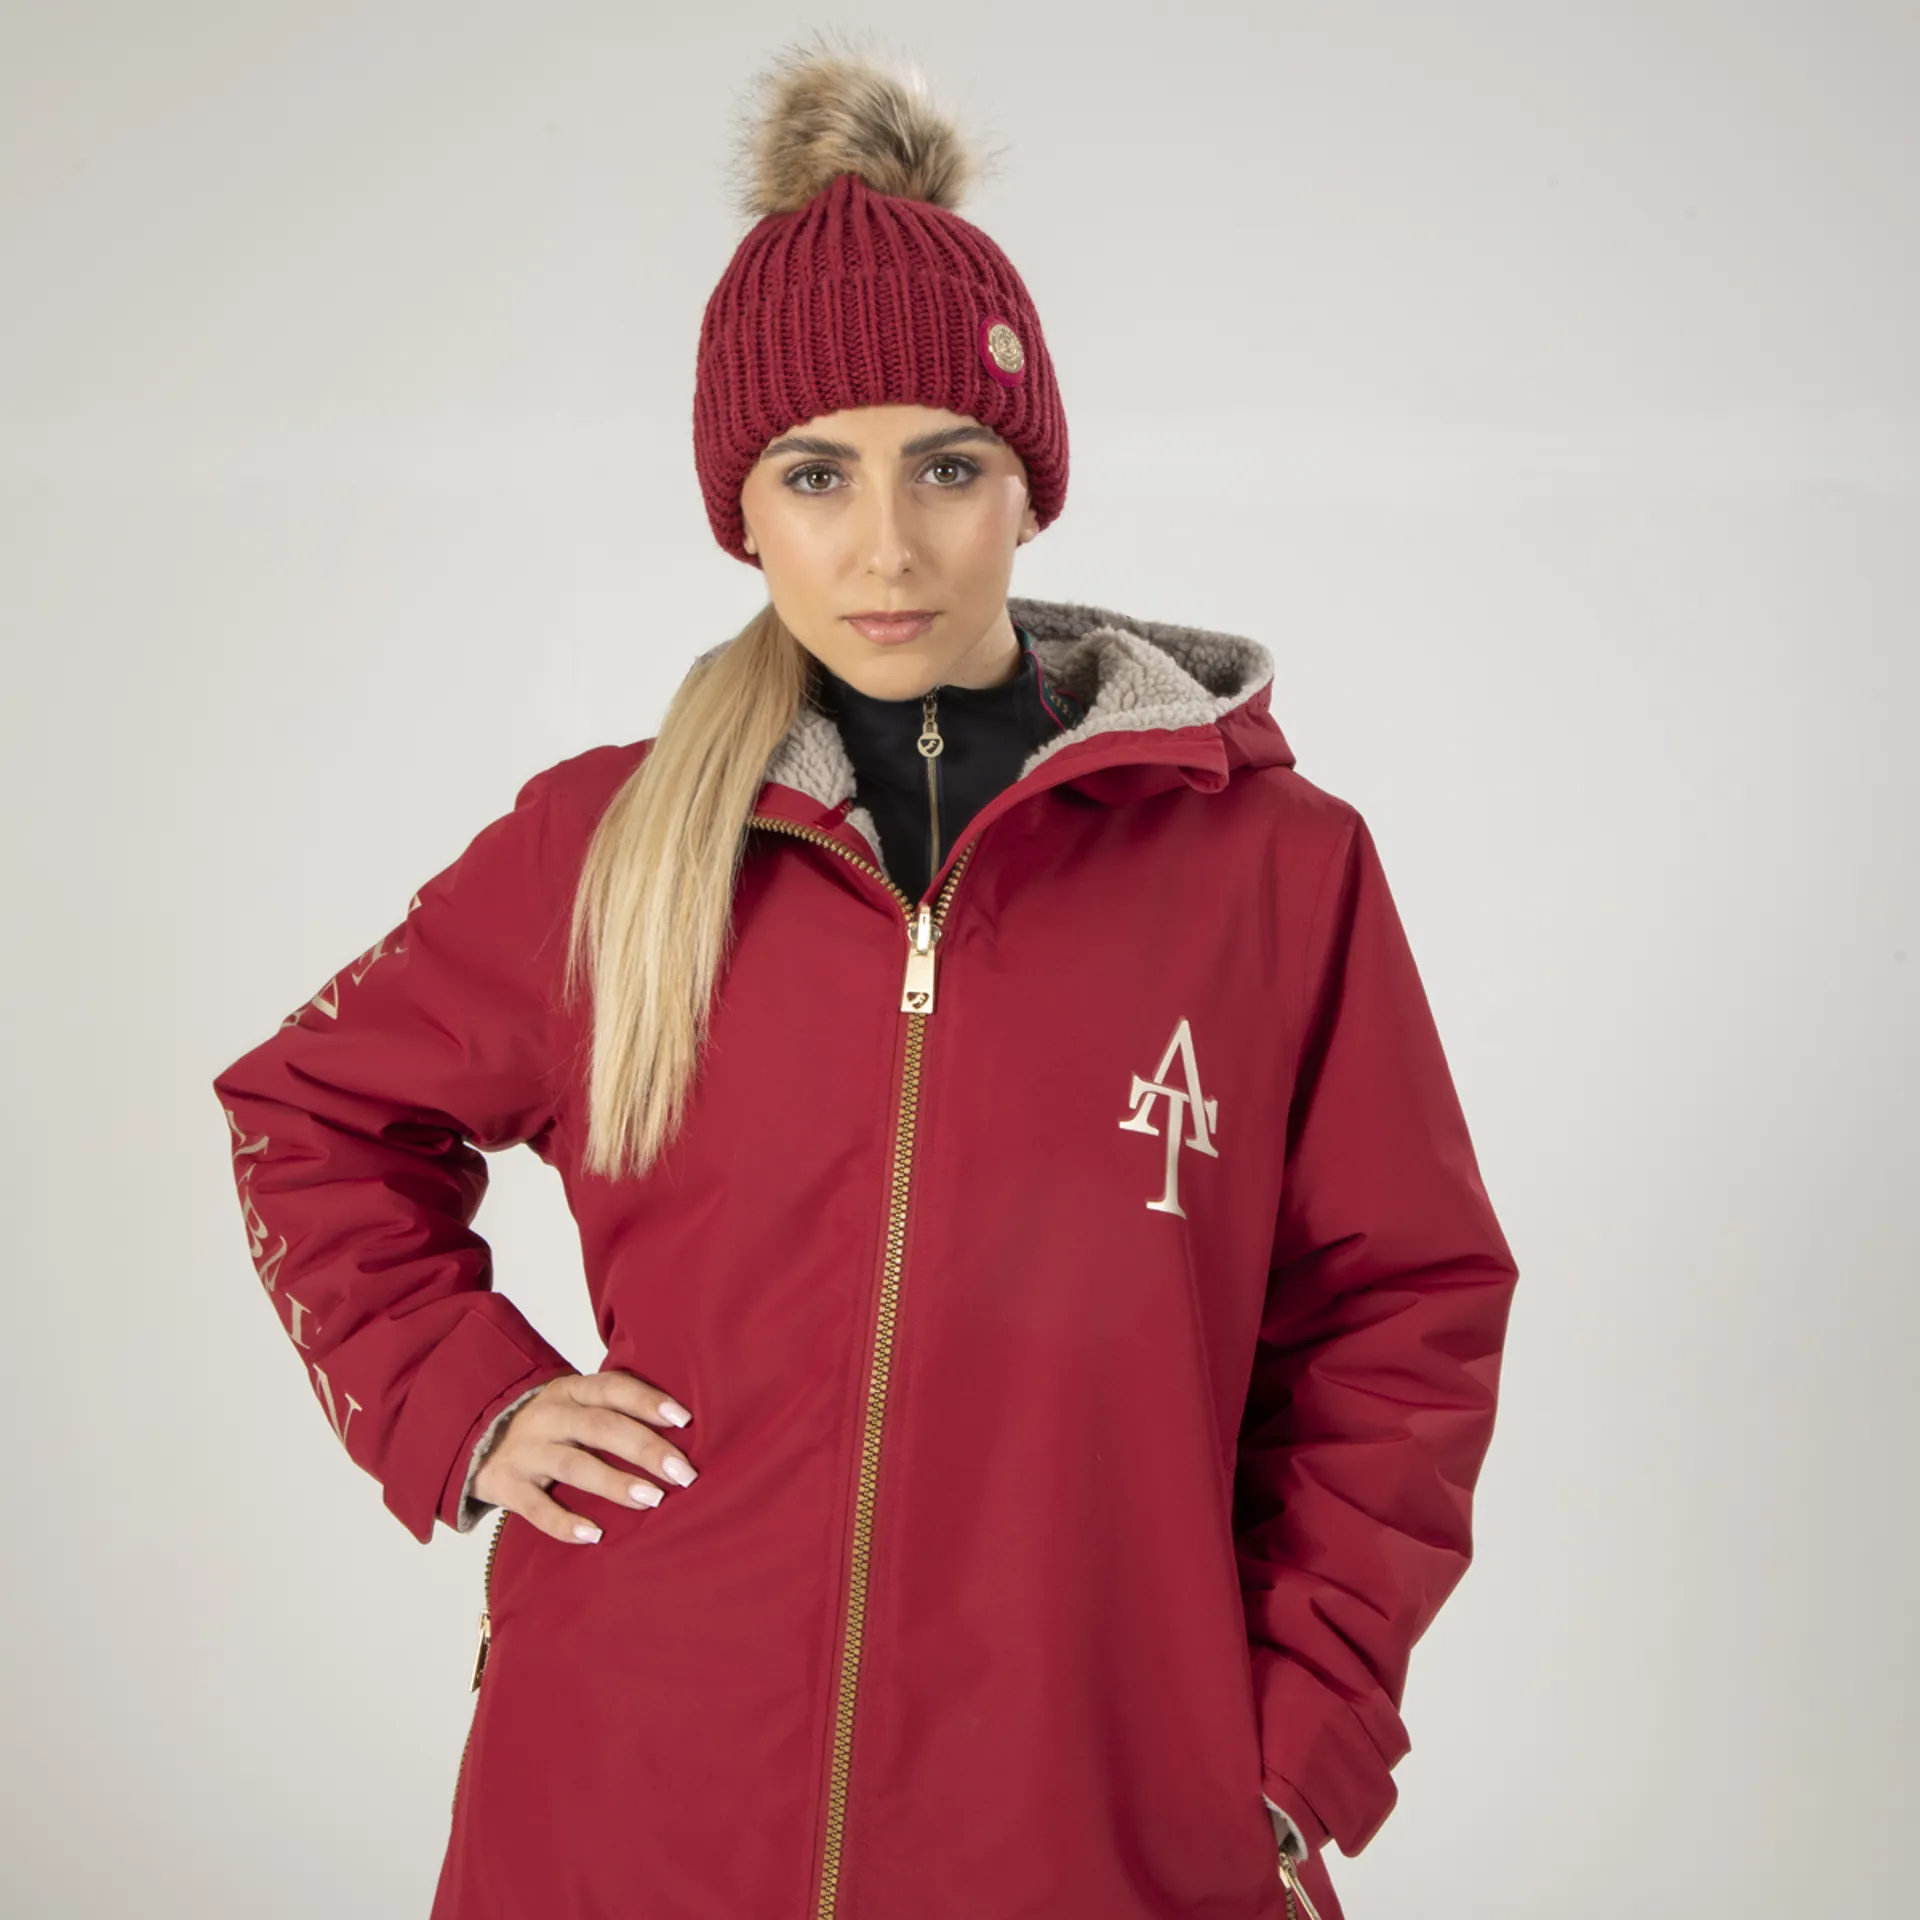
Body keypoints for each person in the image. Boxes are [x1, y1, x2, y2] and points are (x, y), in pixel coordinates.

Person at [210, 34, 1519, 1920]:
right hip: (628, 1802)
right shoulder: (605, 847)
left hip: (1097, 1821)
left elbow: (1405, 1316)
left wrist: (1292, 1756)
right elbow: (308, 1115)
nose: (887, 545)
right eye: (816, 474)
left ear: (1030, 490)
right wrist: (470, 1404)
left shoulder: (1270, 869)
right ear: (741, 507)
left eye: (948, 467)